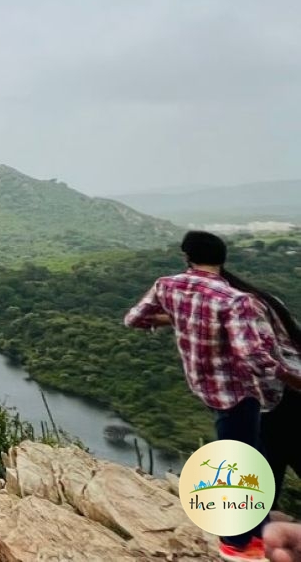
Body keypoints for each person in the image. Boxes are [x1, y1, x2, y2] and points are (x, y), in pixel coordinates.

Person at [125, 231, 301, 561]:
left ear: (186, 257)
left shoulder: (168, 286)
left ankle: (258, 522)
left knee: (258, 453)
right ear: (223, 258)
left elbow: (134, 319)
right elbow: (254, 358)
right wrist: (291, 378)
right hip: (243, 393)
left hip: (207, 390)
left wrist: (180, 318)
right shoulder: (236, 300)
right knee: (242, 458)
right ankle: (238, 540)